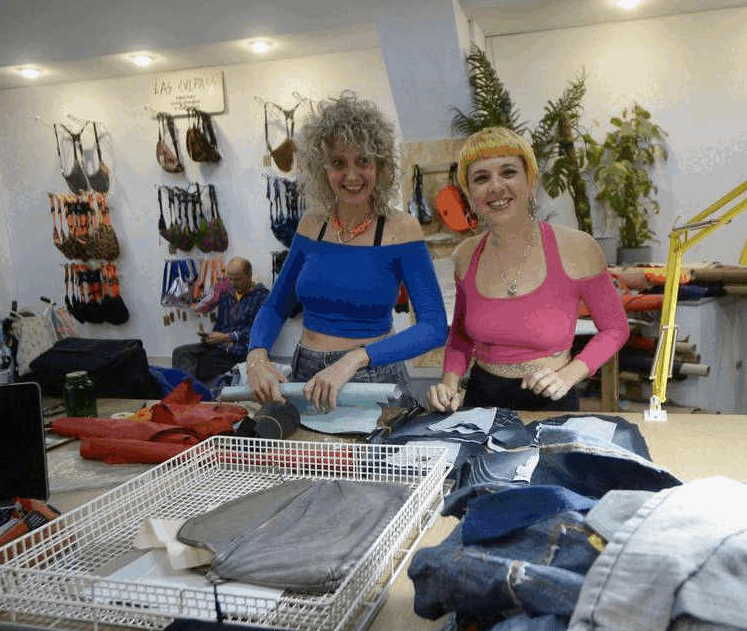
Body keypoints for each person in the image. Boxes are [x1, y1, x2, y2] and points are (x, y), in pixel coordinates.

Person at [246, 92, 447, 411]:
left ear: (380, 164)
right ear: (322, 168)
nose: (352, 176)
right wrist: (256, 356)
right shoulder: (311, 224)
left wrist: (356, 358)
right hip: (306, 373)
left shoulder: (400, 229)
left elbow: (433, 327)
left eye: (363, 161)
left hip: (372, 374)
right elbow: (275, 305)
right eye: (338, 163)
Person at [427, 127, 629, 413]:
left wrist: (568, 376)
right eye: (481, 178)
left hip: (552, 400)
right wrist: (449, 384)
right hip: (481, 402)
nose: (496, 187)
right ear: (470, 196)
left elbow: (615, 328)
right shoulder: (465, 256)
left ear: (530, 183)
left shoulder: (578, 248)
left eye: (508, 172)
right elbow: (460, 337)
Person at [172, 257, 270, 385]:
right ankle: (185, 391)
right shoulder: (226, 291)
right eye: (230, 279)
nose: (233, 283)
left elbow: (257, 329)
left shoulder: (262, 295)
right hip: (219, 345)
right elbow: (219, 321)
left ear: (249, 275)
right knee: (180, 353)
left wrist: (227, 337)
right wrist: (212, 337)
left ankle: (187, 392)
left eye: (237, 279)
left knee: (197, 366)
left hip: (239, 351)